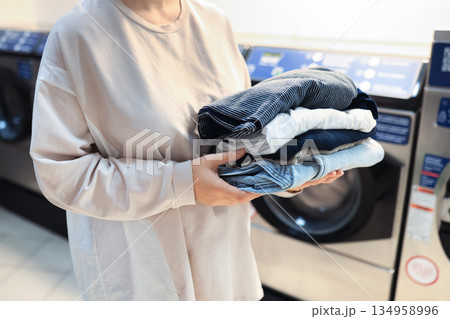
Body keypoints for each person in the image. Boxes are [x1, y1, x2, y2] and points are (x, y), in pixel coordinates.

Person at [30, 0, 343, 301]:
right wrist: (182, 183)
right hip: (143, 270)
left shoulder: (215, 21)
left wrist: (284, 172)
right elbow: (62, 175)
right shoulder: (78, 32)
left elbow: (244, 136)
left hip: (223, 256)